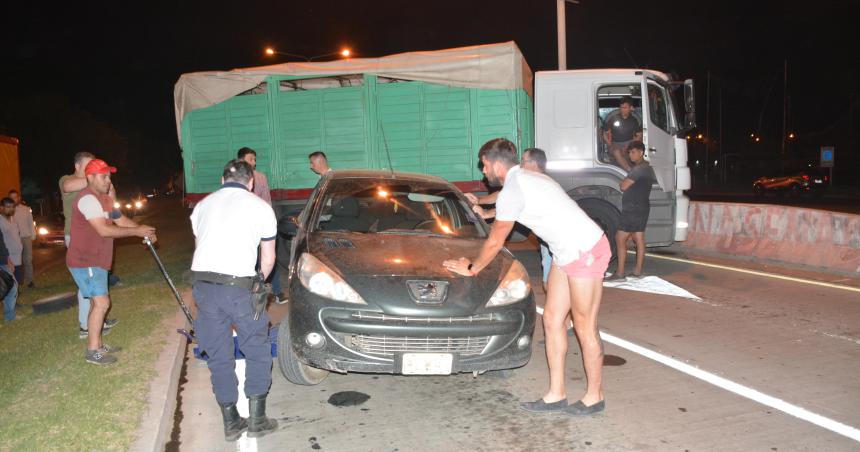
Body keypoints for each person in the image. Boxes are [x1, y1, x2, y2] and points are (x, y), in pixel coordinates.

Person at [443, 138, 609, 416]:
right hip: (564, 251)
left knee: (584, 325)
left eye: (484, 166)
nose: (483, 172)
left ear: (497, 164)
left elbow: (496, 241)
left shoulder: (515, 187)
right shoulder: (525, 177)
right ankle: (557, 393)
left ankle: (595, 395)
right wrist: (485, 209)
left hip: (585, 249)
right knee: (553, 320)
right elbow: (511, 201)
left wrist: (472, 267)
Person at [190, 159, 279, 441]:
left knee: (219, 353)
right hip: (240, 288)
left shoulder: (202, 206)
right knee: (256, 348)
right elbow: (268, 258)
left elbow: (202, 246)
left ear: (221, 180)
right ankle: (257, 418)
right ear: (250, 182)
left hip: (204, 286)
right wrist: (259, 283)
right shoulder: (261, 207)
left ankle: (230, 421)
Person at [67, 159, 156, 365]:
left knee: (96, 303)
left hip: (96, 259)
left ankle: (97, 344)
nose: (108, 180)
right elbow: (103, 230)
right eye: (103, 176)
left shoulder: (104, 200)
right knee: (102, 303)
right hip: (85, 259)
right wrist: (137, 231)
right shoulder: (87, 199)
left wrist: (144, 232)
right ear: (90, 177)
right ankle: (92, 352)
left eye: (109, 176)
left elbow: (120, 220)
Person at [466, 148, 554, 287]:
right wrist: (482, 205)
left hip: (571, 245)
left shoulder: (523, 180)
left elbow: (495, 242)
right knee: (551, 289)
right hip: (556, 243)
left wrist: (471, 269)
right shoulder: (521, 180)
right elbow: (507, 201)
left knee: (552, 287)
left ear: (535, 163)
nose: (520, 163)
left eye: (524, 161)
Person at [61, 152, 119, 338]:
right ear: (77, 166)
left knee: (97, 280)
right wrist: (95, 178)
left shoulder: (97, 183)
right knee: (86, 284)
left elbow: (112, 202)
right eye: (88, 166)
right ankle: (86, 325)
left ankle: (97, 316)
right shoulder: (67, 179)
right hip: (76, 235)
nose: (91, 167)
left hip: (96, 231)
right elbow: (68, 186)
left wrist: (107, 183)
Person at [610, 141, 657, 280]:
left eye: (633, 152)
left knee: (620, 238)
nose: (630, 155)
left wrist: (623, 182)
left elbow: (623, 186)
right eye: (629, 152)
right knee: (639, 238)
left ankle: (619, 273)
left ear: (641, 152)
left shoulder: (639, 169)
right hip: (642, 207)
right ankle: (637, 271)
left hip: (633, 209)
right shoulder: (647, 167)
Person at [602, 96, 642, 172]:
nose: (622, 110)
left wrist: (628, 146)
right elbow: (603, 132)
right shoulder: (613, 118)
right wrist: (609, 143)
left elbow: (638, 136)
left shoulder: (634, 120)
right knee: (617, 151)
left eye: (625, 108)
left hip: (629, 143)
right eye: (621, 107)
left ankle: (639, 170)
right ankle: (629, 171)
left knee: (637, 151)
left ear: (631, 108)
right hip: (614, 144)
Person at [8, 190, 35, 288]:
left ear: (18, 198)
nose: (13, 199)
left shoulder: (26, 209)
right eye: (11, 197)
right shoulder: (7, 211)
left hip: (26, 237)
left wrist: (33, 235)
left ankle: (30, 281)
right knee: (15, 262)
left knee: (28, 260)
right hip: (14, 240)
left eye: (15, 197)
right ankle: (15, 283)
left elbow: (30, 223)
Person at [0, 198, 23, 285]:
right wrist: (6, 258)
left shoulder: (13, 220)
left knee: (17, 282)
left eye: (12, 207)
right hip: (8, 259)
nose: (11, 209)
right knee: (9, 284)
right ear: (1, 207)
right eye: (8, 206)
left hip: (17, 258)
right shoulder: (0, 221)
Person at [0, 224, 18, 322]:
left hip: (3, 261)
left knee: (11, 287)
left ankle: (10, 317)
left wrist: (8, 259)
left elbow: (2, 243)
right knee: (12, 287)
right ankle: (10, 317)